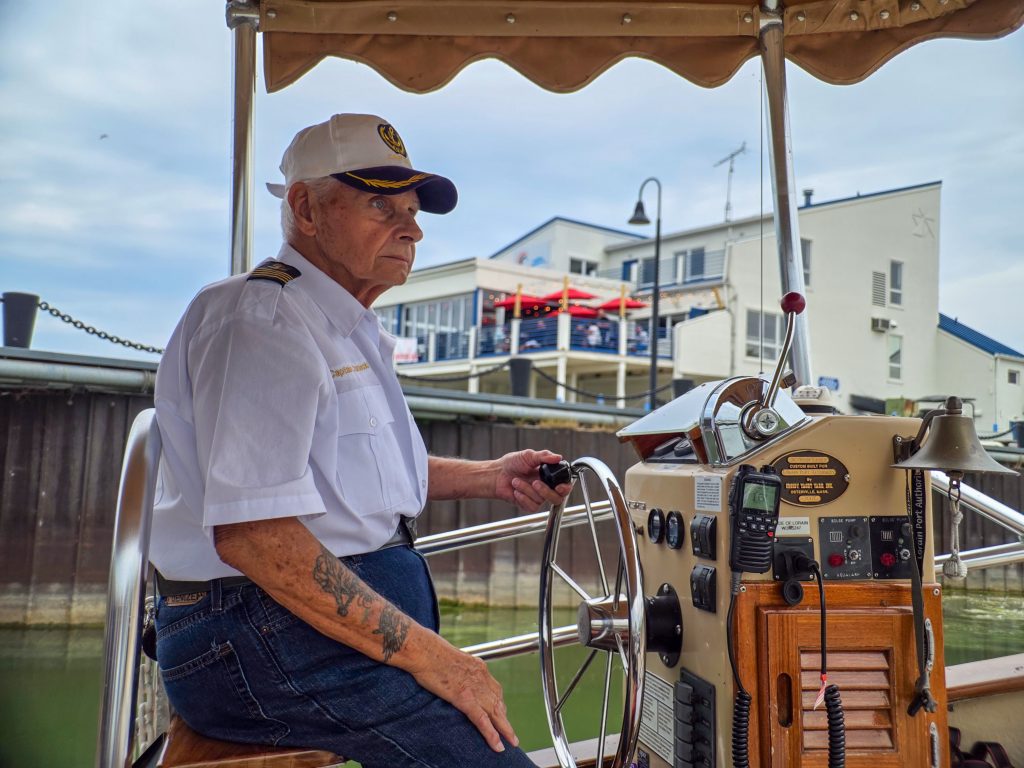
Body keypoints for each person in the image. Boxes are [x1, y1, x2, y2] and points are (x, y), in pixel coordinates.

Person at [149, 114, 572, 768]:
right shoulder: (263, 322)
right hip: (259, 637)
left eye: (412, 212)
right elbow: (255, 536)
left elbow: (358, 477)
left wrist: (490, 476)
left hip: (297, 631)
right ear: (306, 208)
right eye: (381, 205)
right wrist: (438, 659)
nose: (412, 229)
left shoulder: (344, 326)